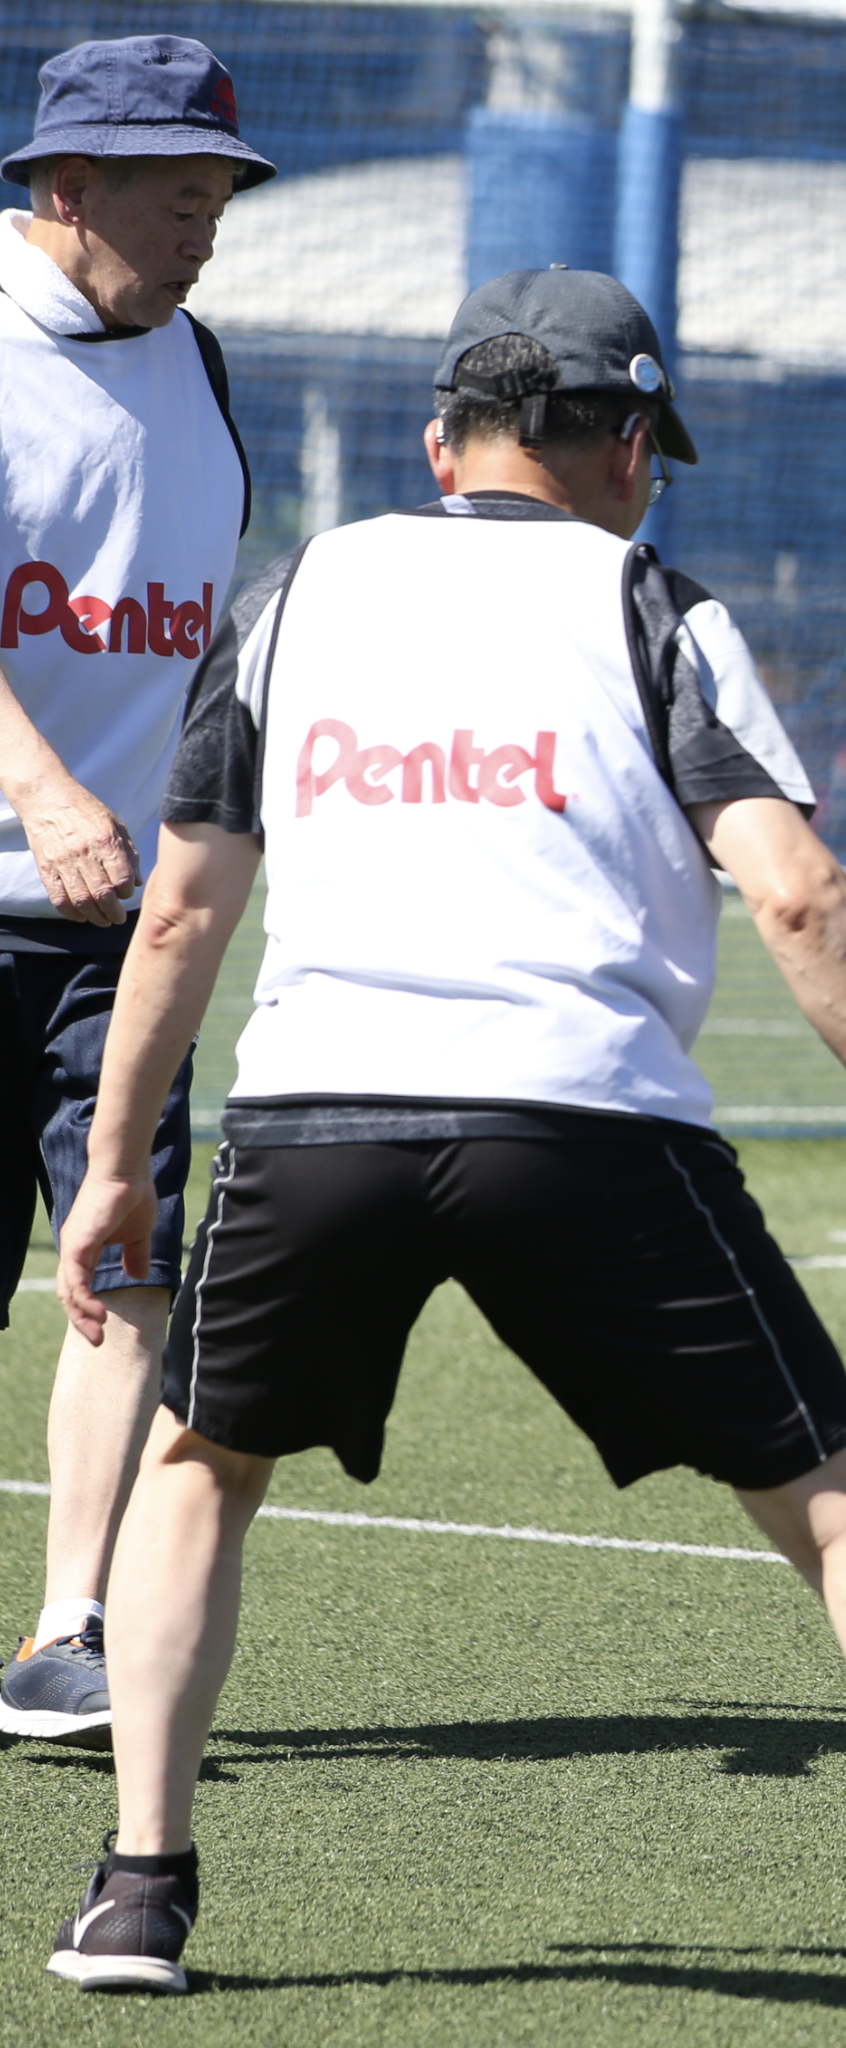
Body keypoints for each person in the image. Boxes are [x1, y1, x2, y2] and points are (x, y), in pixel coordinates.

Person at [41, 269, 846, 2042]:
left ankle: (139, 1887)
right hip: (578, 1113)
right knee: (837, 1498)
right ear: (611, 445)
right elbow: (800, 890)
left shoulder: (293, 594)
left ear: (445, 444)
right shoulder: (652, 599)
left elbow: (180, 911)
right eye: (645, 451)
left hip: (317, 1114)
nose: (649, 483)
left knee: (203, 1465)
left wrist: (124, 1154)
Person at [0, 36, 266, 1750]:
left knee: (127, 1254)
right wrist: (37, 782)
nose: (209, 231)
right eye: (181, 198)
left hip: (123, 919)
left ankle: (65, 1631)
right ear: (66, 187)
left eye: (222, 199)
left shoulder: (204, 361)